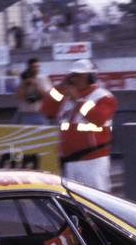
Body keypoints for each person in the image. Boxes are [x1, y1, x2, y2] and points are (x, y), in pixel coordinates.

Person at [39, 59, 117, 191]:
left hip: (93, 160)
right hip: (69, 160)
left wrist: (79, 100)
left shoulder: (103, 96)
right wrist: (59, 87)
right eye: (73, 75)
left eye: (80, 75)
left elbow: (98, 118)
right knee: (74, 201)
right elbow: (47, 110)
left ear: (91, 77)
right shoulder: (65, 96)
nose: (76, 79)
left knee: (96, 199)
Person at [15, 58, 52, 125]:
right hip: (26, 114)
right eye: (33, 67)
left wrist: (36, 85)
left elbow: (47, 96)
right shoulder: (22, 79)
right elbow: (19, 97)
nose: (36, 69)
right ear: (29, 68)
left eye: (37, 67)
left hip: (40, 113)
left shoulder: (43, 78)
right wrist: (24, 85)